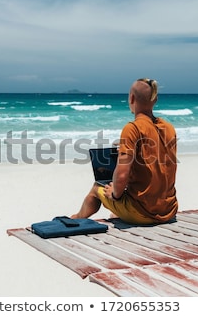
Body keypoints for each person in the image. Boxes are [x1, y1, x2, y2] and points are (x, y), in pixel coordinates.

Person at [71, 78, 178, 224]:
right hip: (168, 211)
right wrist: (127, 146)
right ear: (155, 99)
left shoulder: (132, 128)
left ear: (132, 98)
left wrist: (114, 194)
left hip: (144, 214)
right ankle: (117, 212)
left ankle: (76, 218)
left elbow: (122, 175)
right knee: (120, 203)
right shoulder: (169, 128)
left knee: (98, 188)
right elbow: (157, 159)